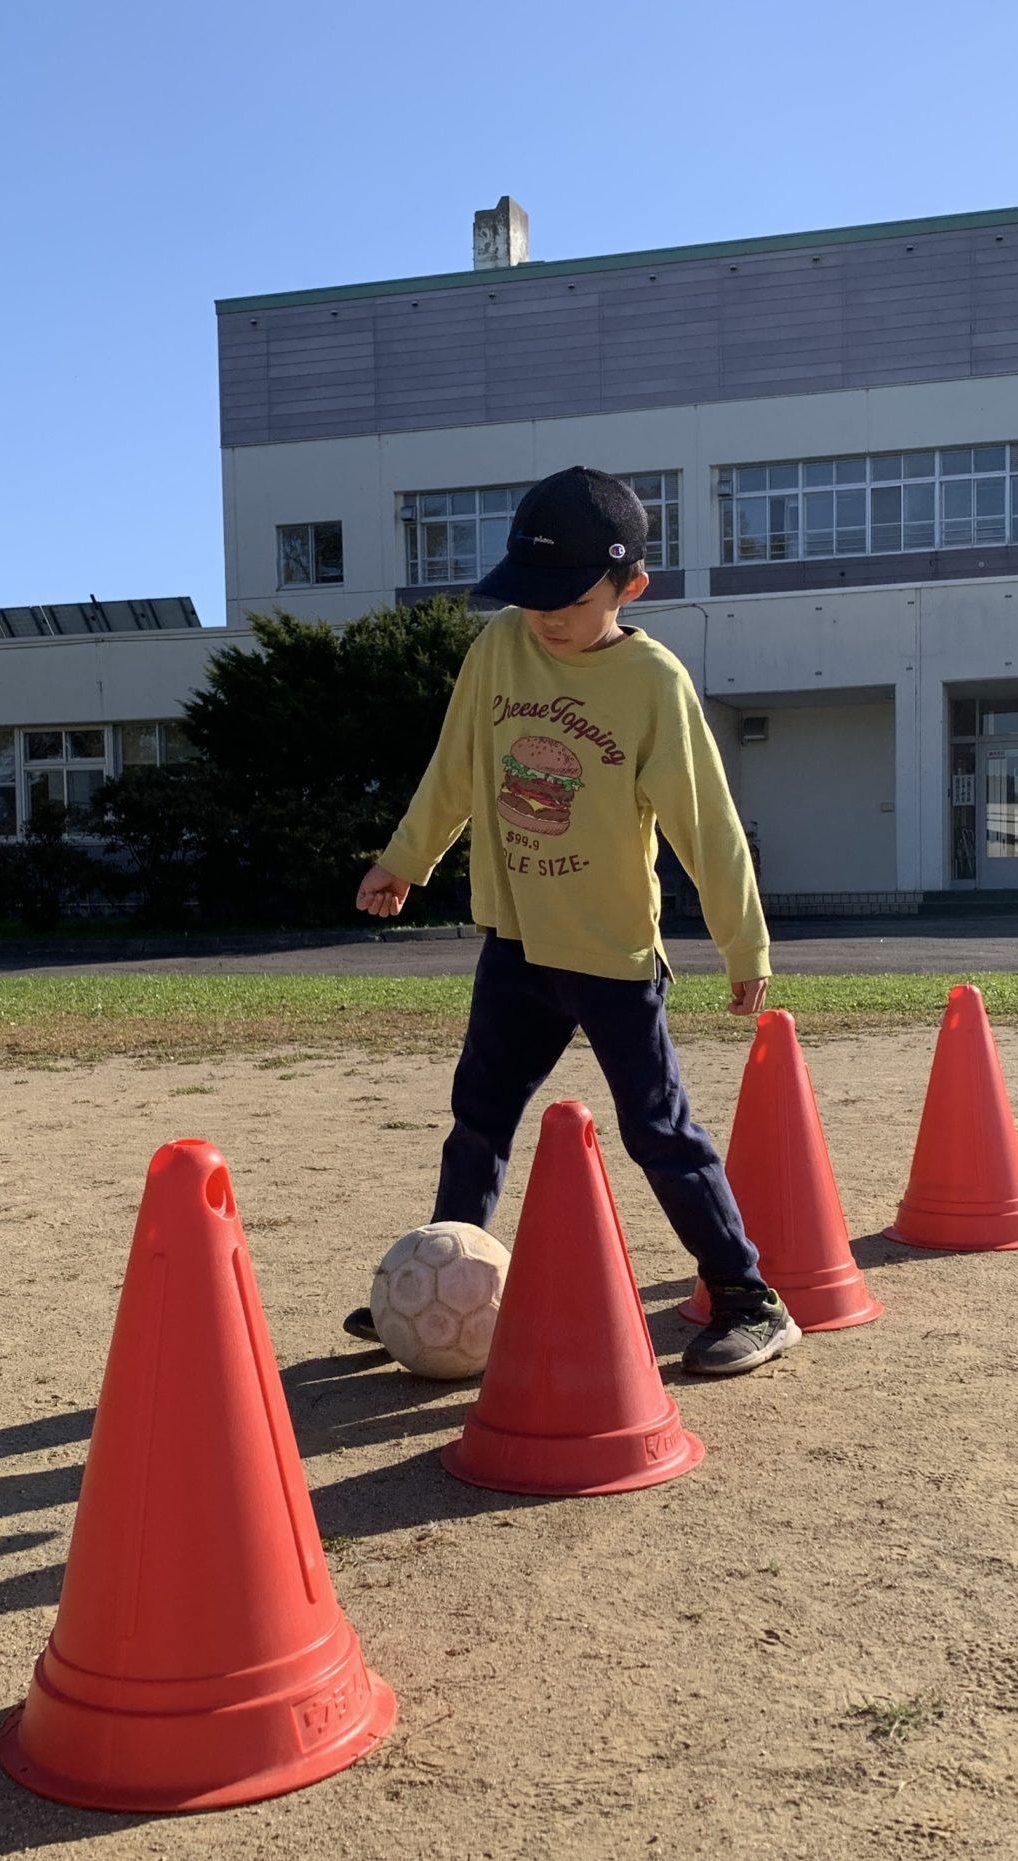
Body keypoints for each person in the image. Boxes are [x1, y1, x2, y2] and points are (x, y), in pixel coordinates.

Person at [348, 467, 798, 1376]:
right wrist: (405, 859)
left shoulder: (652, 682)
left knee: (657, 1132)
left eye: (569, 599)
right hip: (515, 942)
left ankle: (750, 1299)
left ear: (631, 586)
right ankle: (448, 1283)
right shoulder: (500, 648)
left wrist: (743, 942)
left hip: (611, 954)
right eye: (530, 595)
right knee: (477, 1121)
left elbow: (705, 823)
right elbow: (456, 766)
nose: (545, 617)